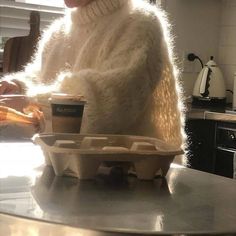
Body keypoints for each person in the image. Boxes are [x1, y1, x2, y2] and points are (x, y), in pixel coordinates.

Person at [0, 0, 186, 162]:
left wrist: (33, 103)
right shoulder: (58, 32)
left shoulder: (140, 23)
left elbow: (112, 101)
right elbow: (42, 77)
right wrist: (19, 87)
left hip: (133, 177)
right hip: (65, 171)